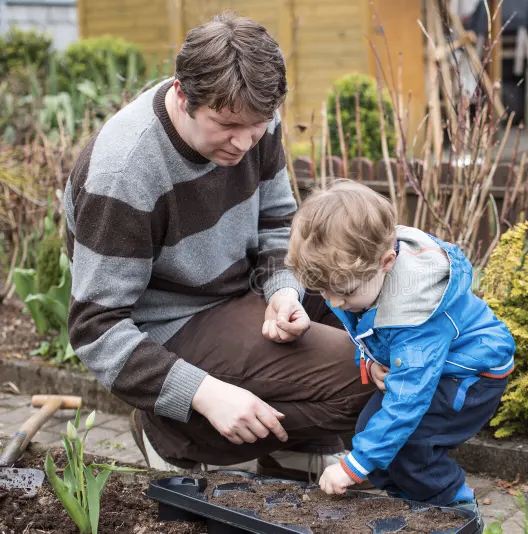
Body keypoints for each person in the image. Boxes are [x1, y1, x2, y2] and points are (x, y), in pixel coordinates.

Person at [63, 13, 373, 476]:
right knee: (367, 377)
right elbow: (97, 328)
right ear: (182, 94)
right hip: (173, 322)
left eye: (258, 126)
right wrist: (204, 393)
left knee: (393, 331)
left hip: (242, 291)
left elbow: (276, 221)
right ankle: (173, 433)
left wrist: (283, 291)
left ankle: (289, 449)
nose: (245, 143)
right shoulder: (124, 172)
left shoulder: (251, 112)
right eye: (227, 125)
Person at [285, 179, 516, 519]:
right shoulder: (354, 275)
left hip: (473, 374)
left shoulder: (415, 315)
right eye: (323, 291)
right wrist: (371, 359)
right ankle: (407, 504)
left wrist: (353, 467)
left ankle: (457, 510)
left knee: (412, 446)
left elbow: (409, 401)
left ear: (387, 261)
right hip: (426, 365)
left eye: (343, 292)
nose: (334, 301)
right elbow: (371, 331)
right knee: (369, 429)